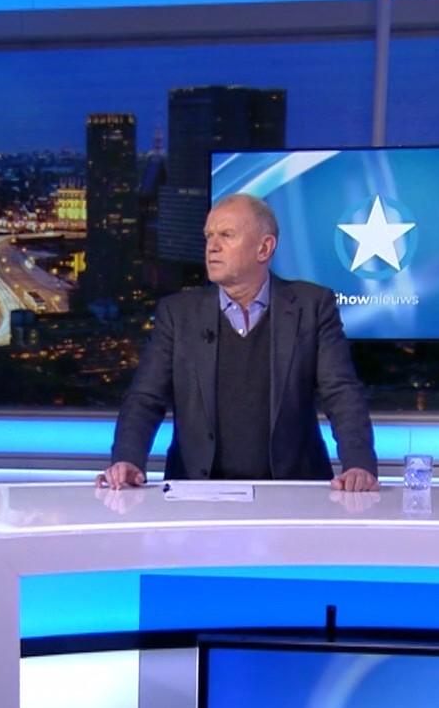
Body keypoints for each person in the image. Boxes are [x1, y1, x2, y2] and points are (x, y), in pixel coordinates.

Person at [100, 193, 378, 491]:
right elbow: (145, 398)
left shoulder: (311, 306)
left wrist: (358, 465)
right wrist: (128, 459)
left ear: (264, 248)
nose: (212, 247)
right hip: (197, 491)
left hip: (292, 489)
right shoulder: (178, 314)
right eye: (208, 236)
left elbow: (341, 393)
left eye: (226, 235)